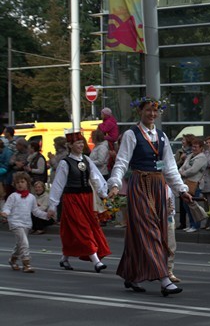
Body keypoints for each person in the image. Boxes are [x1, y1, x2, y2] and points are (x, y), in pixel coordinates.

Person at [108, 96, 193, 296]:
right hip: (140, 184)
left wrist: (182, 190)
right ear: (140, 111)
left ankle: (132, 274)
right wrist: (114, 184)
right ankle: (164, 279)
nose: (152, 114)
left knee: (147, 233)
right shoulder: (132, 134)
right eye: (148, 110)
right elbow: (121, 162)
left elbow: (170, 167)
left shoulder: (162, 136)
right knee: (149, 231)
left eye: (155, 111)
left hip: (158, 185)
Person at [48, 130, 112, 273]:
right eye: (77, 143)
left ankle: (64, 258)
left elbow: (96, 177)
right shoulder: (65, 163)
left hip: (87, 198)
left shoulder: (86, 160)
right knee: (82, 228)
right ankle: (96, 261)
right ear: (70, 145)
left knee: (81, 228)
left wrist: (103, 193)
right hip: (72, 199)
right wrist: (53, 205)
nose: (80, 145)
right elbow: (58, 184)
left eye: (81, 142)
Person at [2, 172, 49, 273]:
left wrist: (46, 216)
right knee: (24, 243)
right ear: (14, 184)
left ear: (27, 183)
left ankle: (13, 259)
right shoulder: (13, 196)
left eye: (22, 182)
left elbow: (35, 211)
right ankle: (26, 264)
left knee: (20, 244)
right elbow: (7, 207)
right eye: (17, 182)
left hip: (26, 224)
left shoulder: (31, 197)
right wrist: (5, 213)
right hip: (15, 223)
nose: (20, 184)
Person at [178, 138, 207, 232]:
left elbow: (194, 170)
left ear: (201, 148)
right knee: (186, 205)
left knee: (193, 204)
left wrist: (183, 173)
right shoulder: (190, 155)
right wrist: (181, 171)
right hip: (186, 183)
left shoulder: (202, 157)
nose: (193, 148)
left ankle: (196, 225)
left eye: (196, 147)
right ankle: (191, 224)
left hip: (195, 184)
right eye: (193, 146)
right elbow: (183, 166)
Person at [174, 134, 195, 230]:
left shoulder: (194, 152)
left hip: (190, 179)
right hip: (181, 178)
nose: (182, 141)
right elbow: (174, 164)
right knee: (182, 203)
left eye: (184, 140)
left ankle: (193, 223)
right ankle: (183, 223)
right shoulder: (180, 151)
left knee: (189, 202)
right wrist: (181, 160)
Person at [166, 185, 179, 283]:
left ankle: (169, 271)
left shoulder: (170, 186)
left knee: (171, 246)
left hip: (168, 217)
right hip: (154, 218)